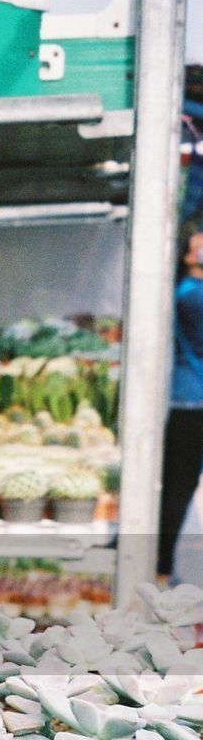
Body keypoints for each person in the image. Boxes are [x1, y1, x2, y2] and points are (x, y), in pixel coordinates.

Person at [158, 222, 203, 579]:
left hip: (191, 400)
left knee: (179, 487)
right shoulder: (191, 294)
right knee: (179, 488)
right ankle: (161, 567)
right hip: (191, 403)